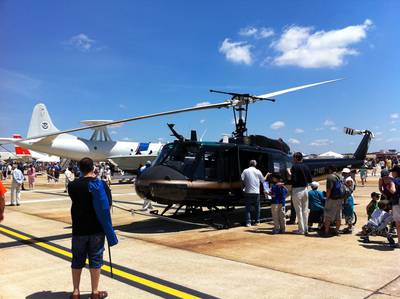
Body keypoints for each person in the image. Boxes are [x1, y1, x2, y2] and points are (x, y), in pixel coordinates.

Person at [68, 158, 112, 299]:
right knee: (96, 259)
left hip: (79, 228)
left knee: (77, 259)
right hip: (97, 228)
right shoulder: (101, 184)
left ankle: (76, 291)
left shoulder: (73, 185)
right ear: (93, 168)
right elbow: (108, 204)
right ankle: (94, 292)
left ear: (79, 169)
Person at [288, 152, 312, 235]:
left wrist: (289, 174)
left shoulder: (294, 167)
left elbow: (293, 180)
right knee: (305, 210)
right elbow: (310, 180)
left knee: (298, 210)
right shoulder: (306, 166)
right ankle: (306, 228)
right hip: (305, 189)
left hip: (297, 190)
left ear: (295, 158)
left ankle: (301, 229)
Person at [241, 160, 265, 227]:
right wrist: (267, 175)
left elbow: (242, 179)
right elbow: (263, 180)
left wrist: (244, 186)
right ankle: (257, 221)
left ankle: (248, 223)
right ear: (255, 164)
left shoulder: (245, 171)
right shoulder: (258, 171)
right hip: (256, 192)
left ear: (249, 164)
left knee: (248, 208)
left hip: (248, 191)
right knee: (257, 207)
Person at [323, 166, 345, 236]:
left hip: (332, 199)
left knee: (328, 214)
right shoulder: (340, 177)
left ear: (330, 170)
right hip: (340, 199)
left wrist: (327, 198)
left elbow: (329, 189)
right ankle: (337, 231)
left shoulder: (330, 177)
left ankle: (326, 231)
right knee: (338, 215)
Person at [389, 165, 400, 248]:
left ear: (396, 172)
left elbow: (393, 191)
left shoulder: (394, 180)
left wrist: (389, 187)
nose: (392, 173)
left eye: (392, 171)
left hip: (397, 202)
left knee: (398, 223)